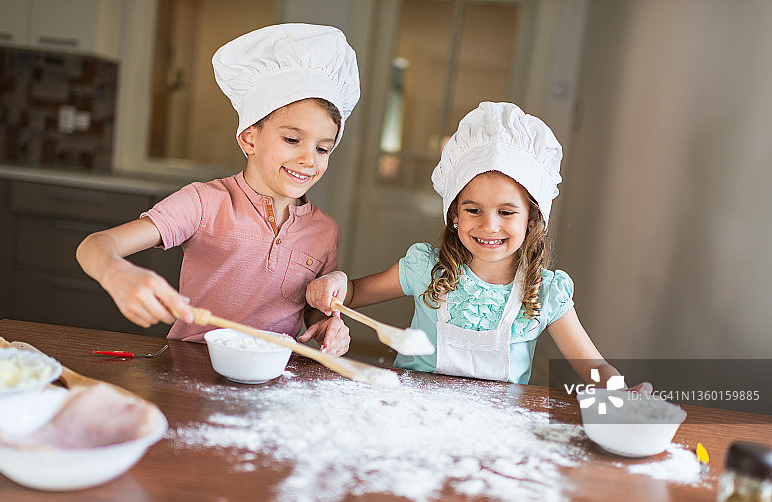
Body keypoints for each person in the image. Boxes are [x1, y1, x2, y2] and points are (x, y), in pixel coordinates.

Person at [306, 102, 651, 389]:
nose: (489, 225)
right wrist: (336, 284)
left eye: (506, 212)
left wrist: (621, 393)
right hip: (412, 418)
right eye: (473, 210)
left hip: (495, 437)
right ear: (454, 213)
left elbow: (594, 368)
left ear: (531, 218)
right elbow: (352, 294)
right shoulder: (425, 269)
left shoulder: (545, 292)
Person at [76, 23, 360, 354]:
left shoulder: (325, 232)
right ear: (249, 138)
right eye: (292, 139)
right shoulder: (204, 203)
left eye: (322, 148)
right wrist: (117, 274)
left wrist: (327, 326)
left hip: (272, 381)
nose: (307, 159)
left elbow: (313, 311)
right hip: (188, 369)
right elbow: (95, 246)